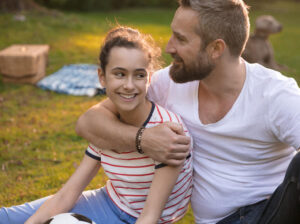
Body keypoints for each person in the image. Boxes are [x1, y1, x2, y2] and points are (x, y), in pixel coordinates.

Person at [75, 0, 300, 223]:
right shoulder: (169, 83)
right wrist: (142, 139)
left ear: (215, 49)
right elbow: (88, 123)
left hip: (269, 214)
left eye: (180, 39)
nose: (168, 47)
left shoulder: (275, 94)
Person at [0, 26, 193, 224]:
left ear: (149, 78)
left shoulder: (169, 132)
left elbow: (150, 216)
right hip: (108, 202)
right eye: (119, 74)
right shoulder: (106, 125)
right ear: (102, 77)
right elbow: (67, 195)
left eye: (139, 75)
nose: (129, 85)